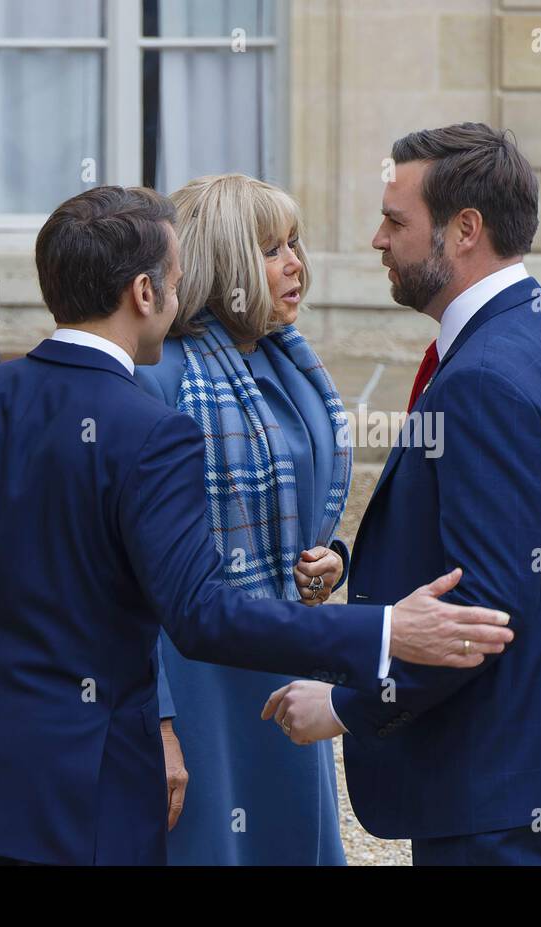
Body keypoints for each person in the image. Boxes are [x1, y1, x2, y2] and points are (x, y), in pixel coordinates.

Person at [0, 185, 515, 866]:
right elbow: (199, 614)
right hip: (93, 782)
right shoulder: (151, 428)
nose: (182, 295)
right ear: (145, 293)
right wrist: (385, 630)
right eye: (175, 280)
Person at [262, 123, 541, 866]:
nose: (377, 239)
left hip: (500, 783)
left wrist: (346, 707)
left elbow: (482, 608)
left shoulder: (482, 378)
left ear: (464, 229)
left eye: (396, 220)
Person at [134, 174, 351, 865]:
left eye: (294, 243)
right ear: (223, 266)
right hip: (198, 674)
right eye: (270, 250)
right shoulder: (159, 376)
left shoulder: (295, 365)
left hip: (286, 656)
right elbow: (124, 569)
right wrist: (159, 717)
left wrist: (331, 559)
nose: (296, 264)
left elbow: (303, 515)